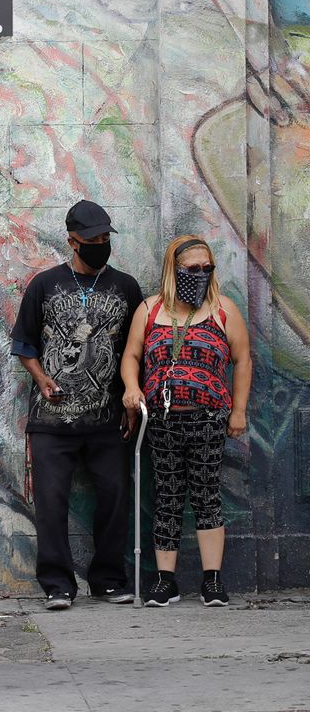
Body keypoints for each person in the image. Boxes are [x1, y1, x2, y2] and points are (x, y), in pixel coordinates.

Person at [10, 200, 144, 610]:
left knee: (116, 496)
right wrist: (40, 377)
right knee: (51, 503)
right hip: (51, 421)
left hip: (108, 419)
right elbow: (24, 343)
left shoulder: (125, 287)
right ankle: (57, 583)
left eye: (105, 238)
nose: (100, 245)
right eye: (92, 240)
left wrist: (129, 400)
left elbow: (133, 351)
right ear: (72, 241)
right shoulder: (44, 284)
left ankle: (106, 579)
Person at [120, 236, 251, 606]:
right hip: (161, 421)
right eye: (192, 269)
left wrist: (238, 410)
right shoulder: (150, 309)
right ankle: (166, 581)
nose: (201, 275)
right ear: (173, 270)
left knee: (208, 495)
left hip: (209, 419)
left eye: (207, 268)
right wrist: (131, 388)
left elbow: (243, 360)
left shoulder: (223, 309)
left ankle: (212, 580)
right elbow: (131, 355)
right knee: (168, 496)